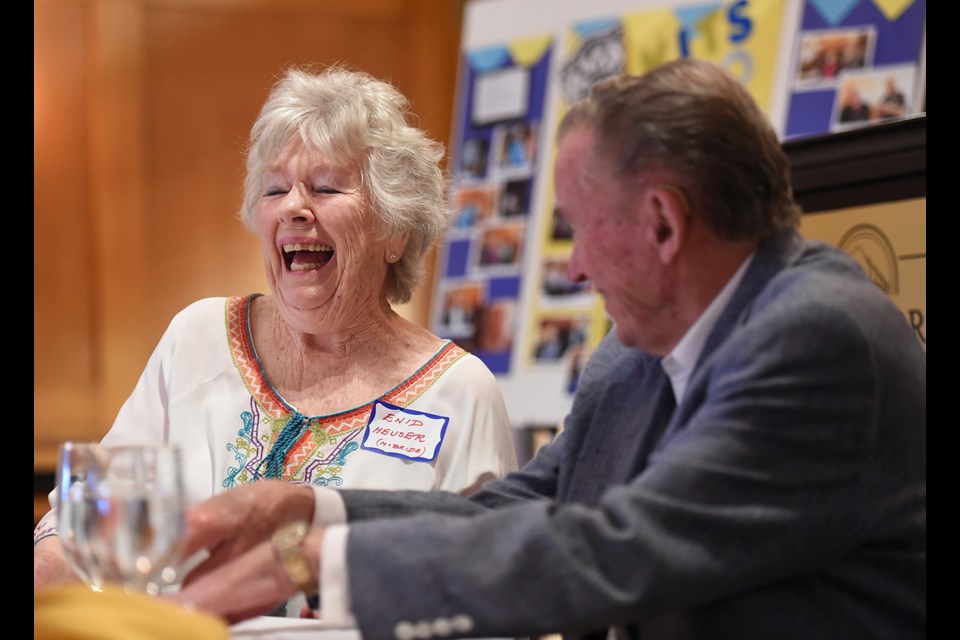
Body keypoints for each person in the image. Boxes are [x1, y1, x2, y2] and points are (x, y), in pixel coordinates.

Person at [171, 58, 925, 639]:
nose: (575, 269)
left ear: (662, 223)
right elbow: (525, 507)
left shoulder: (818, 338)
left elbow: (616, 549)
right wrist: (309, 506)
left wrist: (307, 564)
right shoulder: (633, 355)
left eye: (579, 228)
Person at [33, 64, 519, 600]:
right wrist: (49, 568)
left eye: (327, 187)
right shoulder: (198, 337)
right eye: (274, 189)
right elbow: (89, 524)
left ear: (395, 232)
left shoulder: (460, 392)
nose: (292, 207)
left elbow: (490, 587)